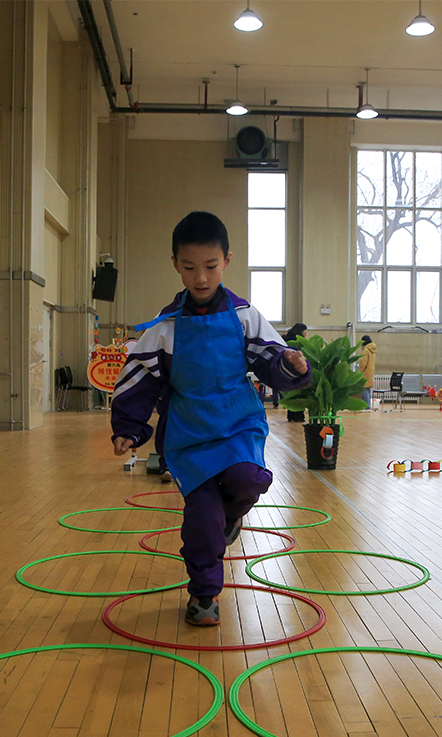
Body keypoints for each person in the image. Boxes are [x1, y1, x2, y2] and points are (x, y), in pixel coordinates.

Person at [110, 212, 309, 627]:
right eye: (189, 268)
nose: (200, 277)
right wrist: (128, 428)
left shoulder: (244, 316)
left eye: (210, 266)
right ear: (175, 264)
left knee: (250, 480)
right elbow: (140, 377)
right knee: (202, 519)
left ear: (227, 261)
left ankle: (233, 515)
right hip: (188, 435)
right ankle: (203, 596)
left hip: (237, 422)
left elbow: (271, 358)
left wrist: (290, 364)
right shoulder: (165, 327)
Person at [279, 323, 308, 412]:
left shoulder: (284, 338)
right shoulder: (298, 342)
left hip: (284, 368)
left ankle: (289, 410)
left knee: (290, 392)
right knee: (297, 392)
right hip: (297, 367)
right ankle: (297, 414)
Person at [357, 334, 377, 410]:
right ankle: (368, 406)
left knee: (364, 388)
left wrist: (359, 372)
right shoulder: (373, 350)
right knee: (368, 389)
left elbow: (363, 363)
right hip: (370, 371)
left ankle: (366, 406)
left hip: (365, 372)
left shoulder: (366, 350)